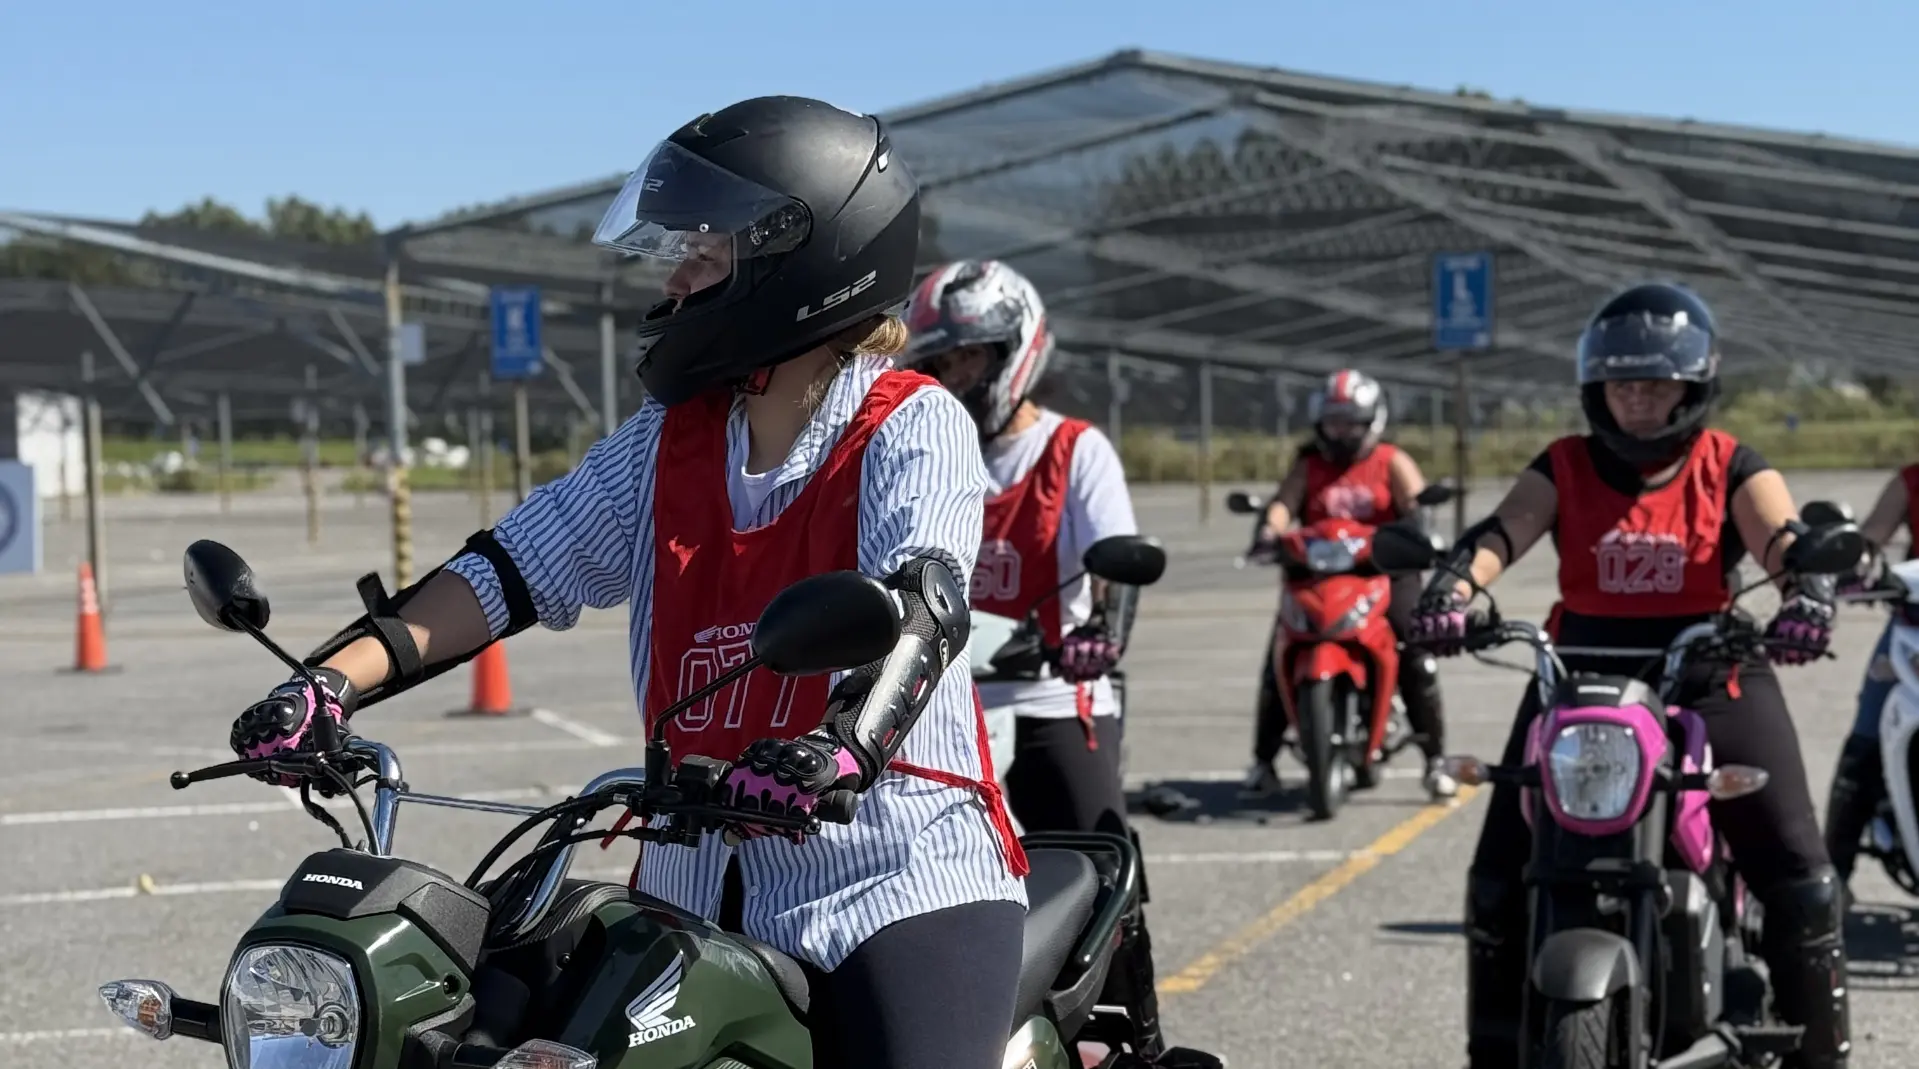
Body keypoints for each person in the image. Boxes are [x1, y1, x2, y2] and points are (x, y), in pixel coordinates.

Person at [224, 95, 1032, 1069]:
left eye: (705, 250)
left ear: (800, 257)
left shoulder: (911, 422)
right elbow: (511, 566)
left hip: (887, 872)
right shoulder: (667, 443)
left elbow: (923, 604)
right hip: (693, 876)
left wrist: (839, 749)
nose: (675, 275)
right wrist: (325, 684)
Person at [1412, 282, 1850, 1069]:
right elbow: (1501, 531)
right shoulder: (1563, 464)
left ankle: (1819, 1055)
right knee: (1498, 876)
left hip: (1710, 672)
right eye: (1622, 385)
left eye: (1654, 384)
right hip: (1576, 677)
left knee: (1797, 873)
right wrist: (1452, 589)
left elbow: (1782, 539)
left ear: (1692, 387)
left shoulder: (1729, 463)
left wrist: (1806, 598)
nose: (1637, 400)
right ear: (1596, 389)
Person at [901, 259, 1215, 1069]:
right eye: (938, 362)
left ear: (1016, 350)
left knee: (1104, 856)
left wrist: (1099, 632)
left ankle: (1139, 1041)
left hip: (1049, 691)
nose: (953, 376)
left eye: (968, 357)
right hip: (937, 700)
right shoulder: (919, 450)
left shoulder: (1074, 449)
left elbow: (1114, 558)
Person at [1238, 369, 1457, 803]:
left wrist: (1419, 529)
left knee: (1416, 653)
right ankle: (1263, 761)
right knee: (1280, 654)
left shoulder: (1390, 460)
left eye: (1351, 422)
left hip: (1384, 572)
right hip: (1319, 576)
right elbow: (1283, 505)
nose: (1341, 431)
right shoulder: (1308, 464)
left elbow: (1415, 501)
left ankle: (1435, 760)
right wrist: (1268, 531)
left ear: (1372, 421)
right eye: (1333, 422)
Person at [1823, 464, 1919, 888]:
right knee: (1867, 736)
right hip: (1913, 631)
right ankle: (1831, 879)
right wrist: (1855, 563)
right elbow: (1870, 539)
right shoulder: (1911, 481)